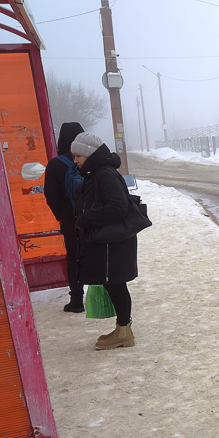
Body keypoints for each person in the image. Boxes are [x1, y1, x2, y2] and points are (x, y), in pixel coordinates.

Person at [70, 132, 138, 350]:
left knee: (116, 284)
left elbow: (118, 206)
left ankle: (124, 332)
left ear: (89, 154)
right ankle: (122, 329)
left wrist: (85, 218)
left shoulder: (104, 174)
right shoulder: (97, 173)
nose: (75, 161)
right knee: (113, 284)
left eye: (78, 155)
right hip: (109, 243)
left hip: (112, 245)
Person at [44, 122, 86, 312]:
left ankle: (76, 301)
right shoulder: (88, 160)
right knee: (98, 255)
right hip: (93, 219)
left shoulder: (55, 165)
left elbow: (51, 196)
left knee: (74, 259)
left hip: (71, 221)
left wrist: (62, 215)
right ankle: (105, 297)